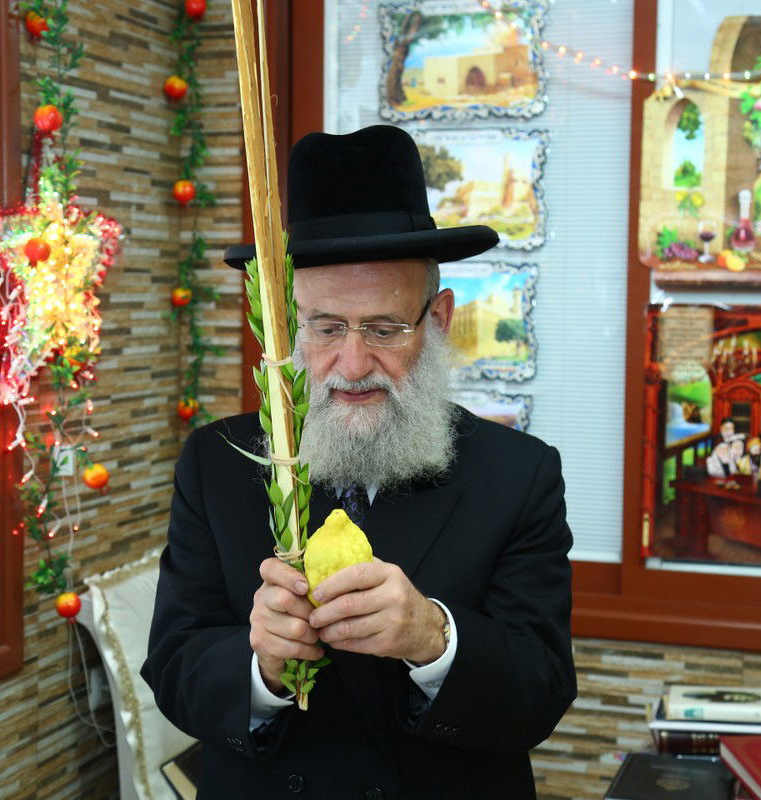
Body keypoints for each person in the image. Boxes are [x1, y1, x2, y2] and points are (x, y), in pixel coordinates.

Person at [142, 125, 576, 800]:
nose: (351, 366)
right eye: (324, 327)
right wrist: (260, 666)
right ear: (286, 324)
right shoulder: (217, 464)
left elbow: (542, 691)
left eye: (382, 328)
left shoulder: (519, 476)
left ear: (437, 320)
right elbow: (173, 670)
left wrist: (433, 638)